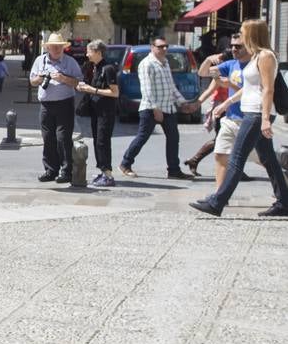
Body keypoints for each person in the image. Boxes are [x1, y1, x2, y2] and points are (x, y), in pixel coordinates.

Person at [191, 19, 288, 217]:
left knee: (236, 158)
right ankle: (284, 202)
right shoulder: (255, 56)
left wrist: (265, 120)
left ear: (253, 33)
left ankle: (217, 202)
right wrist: (227, 103)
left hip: (256, 113)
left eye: (243, 32)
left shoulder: (266, 56)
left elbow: (268, 89)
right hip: (251, 111)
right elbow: (249, 88)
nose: (240, 36)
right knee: (268, 159)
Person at [118, 37, 194, 181]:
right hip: (151, 108)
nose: (164, 49)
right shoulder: (147, 64)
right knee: (142, 137)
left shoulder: (165, 63)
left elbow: (171, 86)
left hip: (168, 107)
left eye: (166, 46)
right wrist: (155, 109)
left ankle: (174, 170)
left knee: (173, 138)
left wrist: (183, 102)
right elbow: (147, 89)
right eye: (160, 47)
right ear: (152, 47)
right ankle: (125, 164)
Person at [29, 32, 84, 184]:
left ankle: (66, 170)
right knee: (48, 138)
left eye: (59, 46)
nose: (57, 49)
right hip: (46, 105)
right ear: (47, 48)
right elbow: (32, 81)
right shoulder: (40, 61)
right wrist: (39, 79)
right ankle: (50, 170)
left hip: (64, 103)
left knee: (63, 138)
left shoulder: (70, 62)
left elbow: (79, 83)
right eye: (54, 46)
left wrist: (63, 78)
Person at [75, 40, 119, 187]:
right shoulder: (94, 67)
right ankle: (102, 170)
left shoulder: (108, 69)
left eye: (89, 51)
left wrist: (91, 89)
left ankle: (108, 175)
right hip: (96, 111)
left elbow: (114, 93)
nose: (87, 54)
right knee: (97, 141)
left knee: (103, 142)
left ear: (98, 52)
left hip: (106, 112)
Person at [186, 49, 235, 178]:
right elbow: (208, 86)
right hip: (222, 110)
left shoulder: (237, 71)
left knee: (224, 139)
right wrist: (198, 103)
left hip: (233, 109)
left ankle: (194, 160)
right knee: (222, 138)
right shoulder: (222, 73)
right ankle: (233, 169)